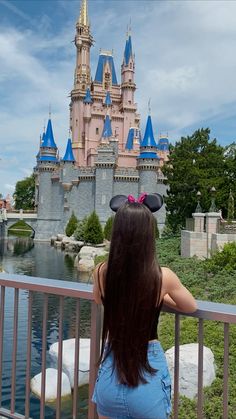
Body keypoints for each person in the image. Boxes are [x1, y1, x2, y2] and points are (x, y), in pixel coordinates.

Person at [92, 193, 197, 419]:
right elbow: (189, 306)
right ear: (149, 234)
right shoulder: (162, 277)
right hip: (146, 372)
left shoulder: (101, 271)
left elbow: (99, 299)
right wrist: (160, 296)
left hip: (110, 371)